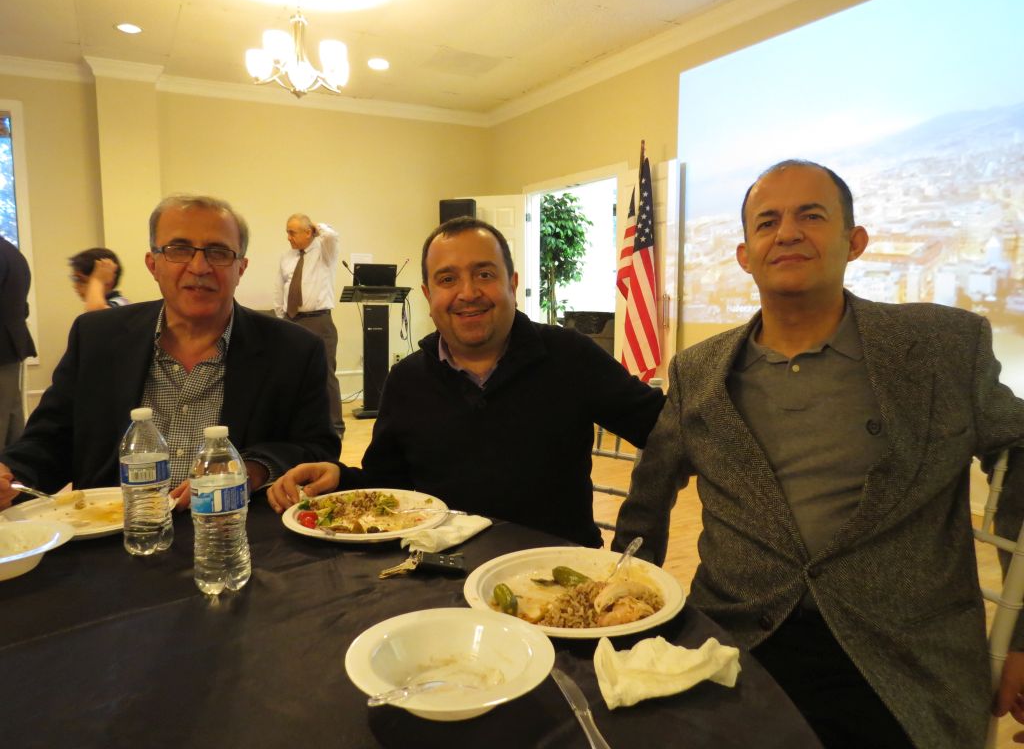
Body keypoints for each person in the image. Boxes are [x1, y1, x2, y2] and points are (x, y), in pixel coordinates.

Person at [613, 159, 1024, 749]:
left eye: (811, 216)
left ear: (855, 242)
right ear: (745, 255)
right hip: (733, 643)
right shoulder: (698, 372)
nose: (787, 233)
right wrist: (627, 611)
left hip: (901, 660)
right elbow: (648, 497)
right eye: (767, 222)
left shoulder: (943, 347)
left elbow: (1020, 449)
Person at [268, 216, 665, 546]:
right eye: (447, 279)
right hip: (442, 572)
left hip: (557, 577)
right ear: (428, 295)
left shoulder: (571, 356)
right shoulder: (407, 380)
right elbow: (388, 486)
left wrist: (641, 529)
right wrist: (340, 477)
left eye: (484, 274)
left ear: (512, 283)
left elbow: (667, 431)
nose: (468, 293)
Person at [0, 194, 340, 512]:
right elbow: (51, 439)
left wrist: (250, 469)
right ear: (153, 264)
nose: (199, 267)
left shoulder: (293, 350)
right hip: (112, 536)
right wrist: (11, 473)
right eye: (179, 249)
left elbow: (316, 449)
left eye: (218, 252)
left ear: (241, 268)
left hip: (236, 535)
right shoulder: (97, 338)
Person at [273, 214, 345, 440]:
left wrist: (315, 226)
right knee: (291, 374)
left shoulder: (325, 251)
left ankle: (335, 427)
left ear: (308, 232)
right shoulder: (287, 257)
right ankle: (296, 425)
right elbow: (279, 288)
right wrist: (281, 318)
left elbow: (332, 234)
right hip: (291, 320)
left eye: (292, 232)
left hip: (318, 320)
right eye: (287, 232)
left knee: (325, 374)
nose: (288, 237)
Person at [0, 235, 36, 451]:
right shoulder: (12, 252)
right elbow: (23, 308)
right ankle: (13, 468)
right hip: (11, 346)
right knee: (11, 416)